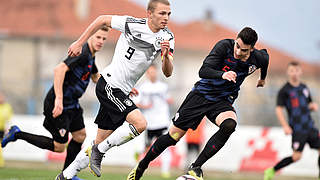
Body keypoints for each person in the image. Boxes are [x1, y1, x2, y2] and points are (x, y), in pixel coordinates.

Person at [127, 27, 269, 180]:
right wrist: (223, 74)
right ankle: (142, 166)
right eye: (237, 46)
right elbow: (203, 71)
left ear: (252, 49)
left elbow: (265, 59)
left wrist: (262, 78)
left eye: (244, 50)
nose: (238, 51)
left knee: (229, 125)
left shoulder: (259, 58)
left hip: (222, 100)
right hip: (201, 96)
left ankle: (196, 167)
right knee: (173, 137)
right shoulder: (224, 47)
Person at [55, 0, 174, 179]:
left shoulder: (168, 37)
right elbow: (102, 19)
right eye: (162, 13)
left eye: (168, 14)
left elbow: (167, 72)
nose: (166, 18)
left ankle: (65, 175)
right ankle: (100, 151)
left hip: (122, 91)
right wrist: (80, 42)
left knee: (98, 141)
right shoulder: (132, 24)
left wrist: (165, 56)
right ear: (149, 14)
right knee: (140, 124)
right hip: (109, 84)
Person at [1, 27, 109, 179]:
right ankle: (17, 133)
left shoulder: (90, 56)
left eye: (104, 39)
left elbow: (95, 77)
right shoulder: (82, 53)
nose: (101, 41)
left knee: (80, 136)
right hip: (59, 103)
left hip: (72, 103)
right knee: (59, 146)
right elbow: (59, 70)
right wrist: (59, 99)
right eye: (98, 37)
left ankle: (67, 175)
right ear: (90, 36)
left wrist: (116, 88)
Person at [264, 61, 320, 180]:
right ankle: (272, 170)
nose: (294, 73)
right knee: (296, 157)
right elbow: (279, 109)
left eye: (296, 70)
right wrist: (285, 126)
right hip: (298, 129)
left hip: (310, 126)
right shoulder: (285, 90)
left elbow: (308, 103)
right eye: (291, 71)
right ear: (288, 72)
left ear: (300, 72)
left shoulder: (304, 88)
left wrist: (312, 106)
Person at [133, 64, 173, 178]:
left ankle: (165, 171)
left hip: (162, 121)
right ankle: (138, 165)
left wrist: (168, 101)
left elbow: (170, 99)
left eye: (154, 72)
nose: (152, 74)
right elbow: (136, 102)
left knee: (165, 146)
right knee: (147, 148)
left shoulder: (163, 87)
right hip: (150, 122)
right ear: (147, 73)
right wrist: (145, 106)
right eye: (150, 72)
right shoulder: (143, 87)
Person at [0, 92, 13, 167]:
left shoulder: (7, 107)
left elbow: (9, 119)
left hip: (2, 129)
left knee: (0, 147)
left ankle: (1, 164)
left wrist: (7, 128)